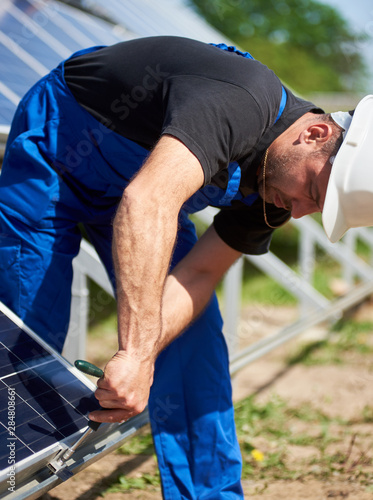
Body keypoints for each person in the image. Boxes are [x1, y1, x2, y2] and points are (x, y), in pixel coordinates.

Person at [0, 35, 362, 498]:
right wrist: (132, 354)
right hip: (60, 147)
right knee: (28, 327)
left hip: (145, 194)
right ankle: (14, 476)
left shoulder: (276, 188)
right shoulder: (239, 100)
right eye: (313, 193)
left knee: (193, 337)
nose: (299, 213)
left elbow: (198, 275)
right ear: (315, 135)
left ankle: (209, 494)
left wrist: (143, 355)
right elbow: (148, 200)